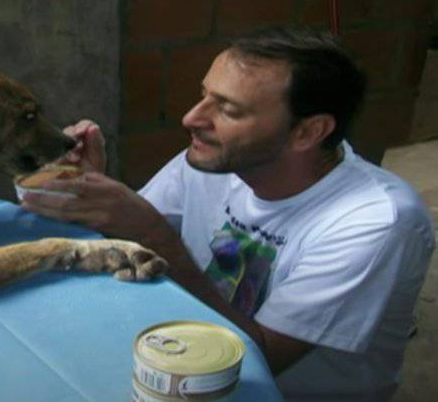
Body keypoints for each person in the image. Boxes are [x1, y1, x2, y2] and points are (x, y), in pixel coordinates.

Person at [21, 26, 435, 401]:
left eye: (228, 110)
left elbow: (261, 359)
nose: (192, 118)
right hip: (184, 361)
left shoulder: (376, 223)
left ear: (308, 132)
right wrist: (89, 188)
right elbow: (129, 243)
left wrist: (151, 233)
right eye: (204, 95)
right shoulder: (217, 160)